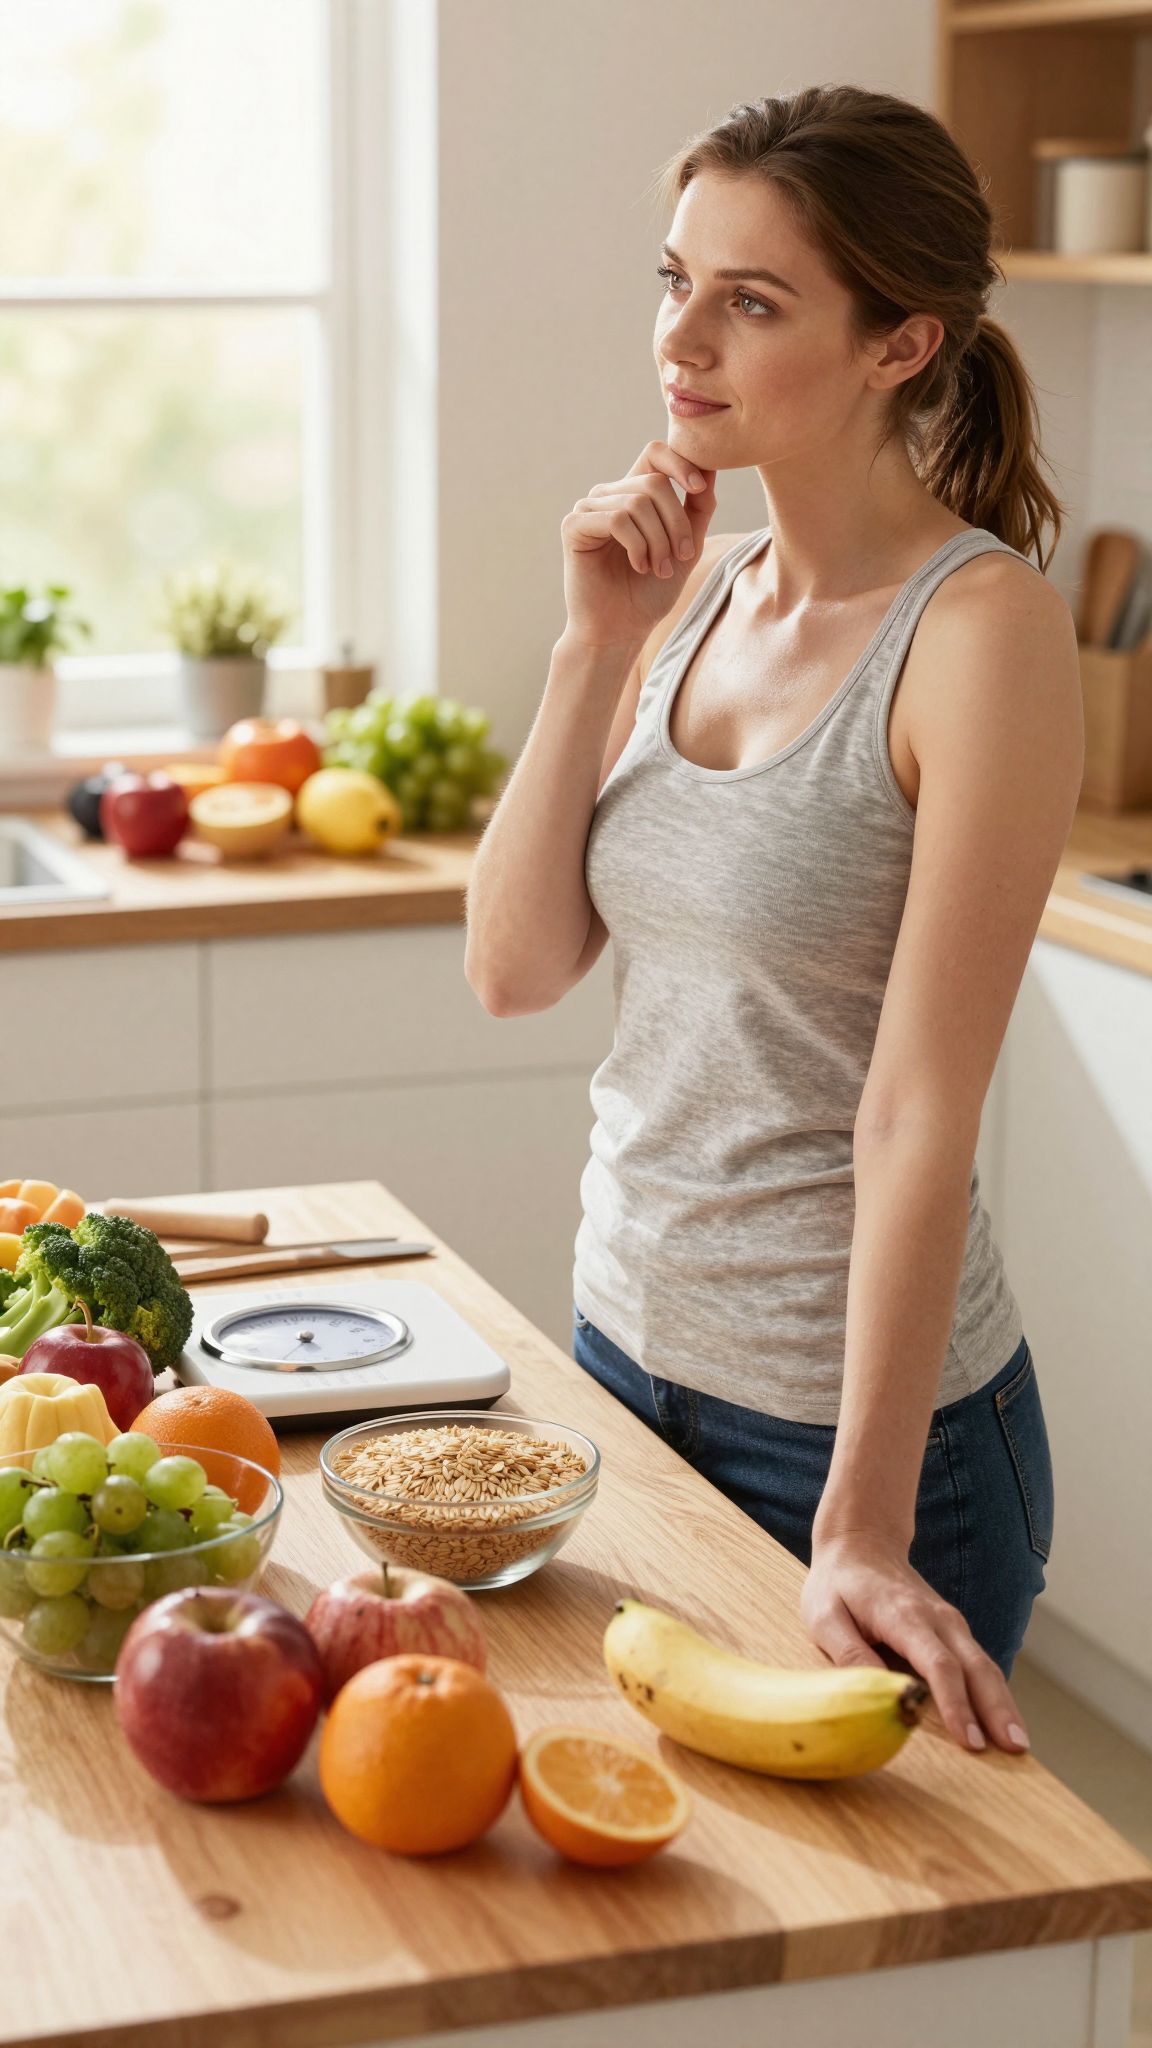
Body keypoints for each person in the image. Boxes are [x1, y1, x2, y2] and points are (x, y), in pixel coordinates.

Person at [463, 84, 1083, 1759]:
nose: (685, 340)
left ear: (902, 343)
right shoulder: (694, 592)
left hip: (864, 1440)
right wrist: (591, 643)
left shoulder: (980, 637)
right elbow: (515, 969)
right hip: (622, 1357)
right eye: (676, 282)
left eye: (752, 302)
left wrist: (863, 1523)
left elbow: (918, 1109)